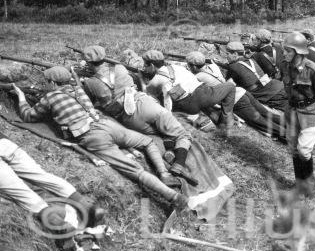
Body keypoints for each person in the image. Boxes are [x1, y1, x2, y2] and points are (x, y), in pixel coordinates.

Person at [12, 67, 187, 209]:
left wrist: (21, 97)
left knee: (136, 172)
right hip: (106, 125)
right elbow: (77, 87)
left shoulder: (50, 97)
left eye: (47, 82)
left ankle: (172, 197)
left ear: (52, 82)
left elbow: (29, 116)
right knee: (147, 141)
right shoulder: (78, 89)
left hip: (92, 137)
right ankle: (163, 173)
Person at [80, 45, 192, 183]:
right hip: (146, 105)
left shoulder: (90, 83)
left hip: (128, 117)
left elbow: (89, 102)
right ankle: (179, 163)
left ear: (88, 62)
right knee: (183, 134)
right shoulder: (120, 68)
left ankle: (166, 155)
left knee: (153, 136)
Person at [0, 133, 105, 233]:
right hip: (7, 145)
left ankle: (56, 222)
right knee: (42, 176)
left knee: (19, 191)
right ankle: (85, 205)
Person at [185, 51, 286, 140]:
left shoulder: (197, 77)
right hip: (241, 91)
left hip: (235, 100)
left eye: (189, 66)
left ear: (193, 67)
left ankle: (288, 135)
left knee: (259, 121)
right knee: (267, 114)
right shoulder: (213, 66)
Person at [279, 32, 315, 197]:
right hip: (292, 111)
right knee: (294, 149)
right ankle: (299, 184)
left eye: (288, 51)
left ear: (298, 51)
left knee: (304, 151)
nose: (284, 53)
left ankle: (309, 184)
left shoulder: (312, 69)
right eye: (284, 50)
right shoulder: (284, 66)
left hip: (310, 112)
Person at [142, 50, 236, 137]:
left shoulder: (155, 81)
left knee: (167, 106)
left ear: (152, 65)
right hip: (205, 94)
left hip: (189, 106)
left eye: (145, 65)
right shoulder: (176, 67)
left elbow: (148, 98)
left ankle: (196, 123)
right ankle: (225, 122)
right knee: (230, 87)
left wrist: (141, 79)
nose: (144, 68)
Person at [224, 41, 289, 112]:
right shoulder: (252, 60)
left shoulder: (233, 67)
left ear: (235, 54)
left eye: (227, 54)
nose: (226, 57)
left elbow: (226, 86)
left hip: (271, 96)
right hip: (278, 87)